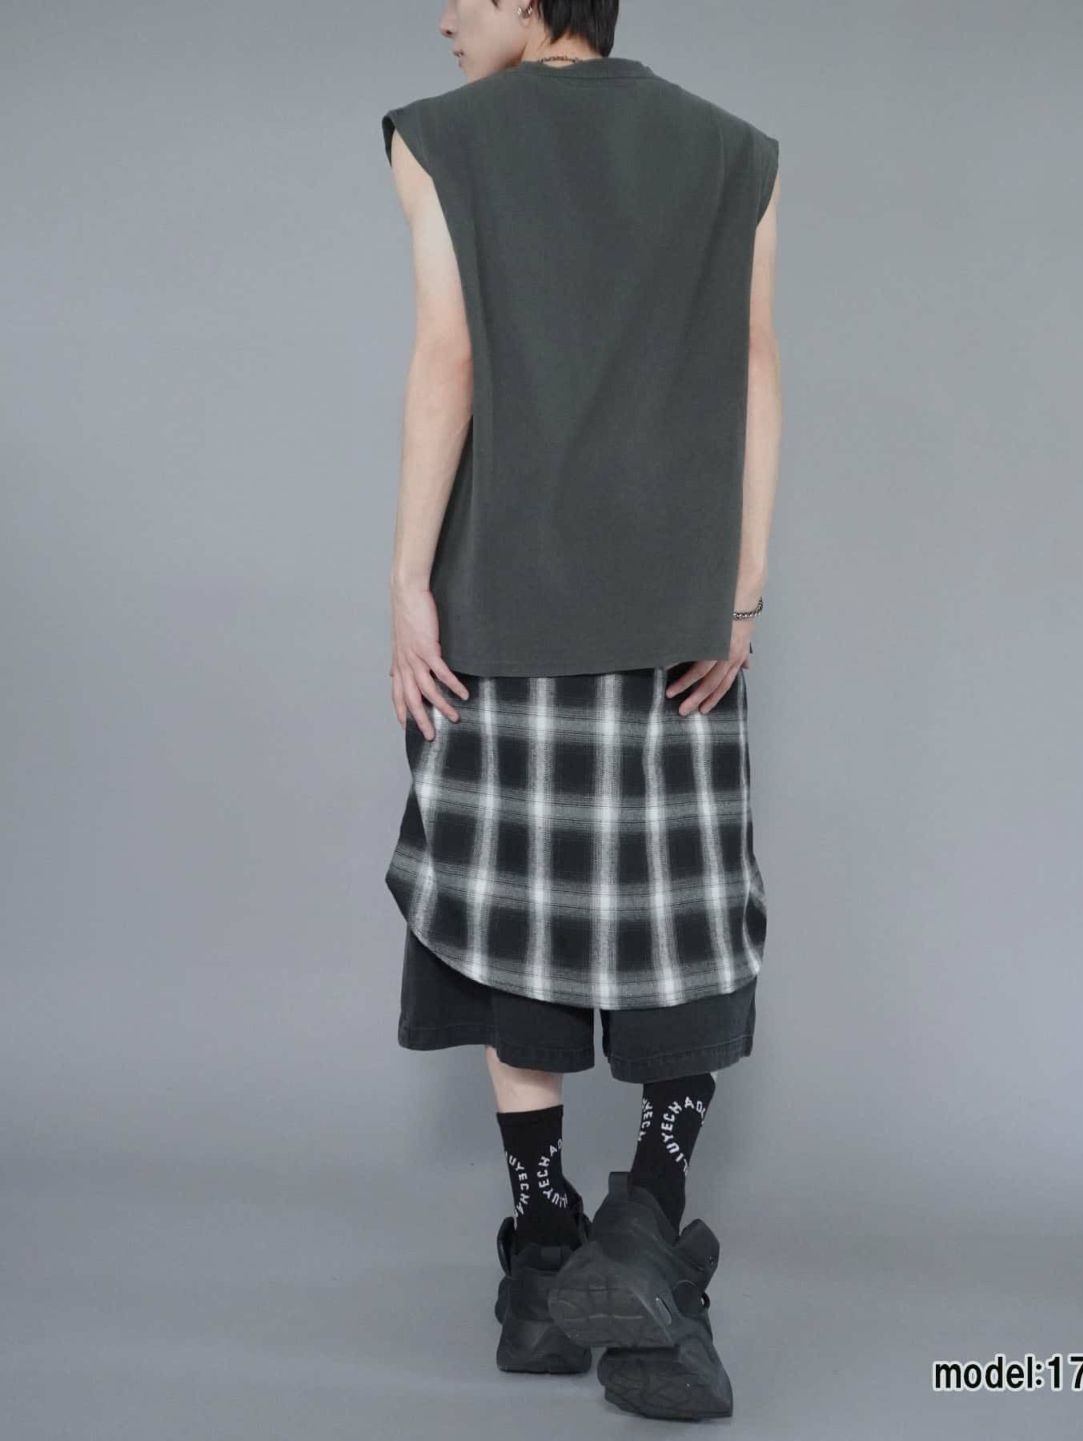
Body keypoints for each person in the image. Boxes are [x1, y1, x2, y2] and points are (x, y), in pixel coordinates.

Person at [379, 0, 780, 1420]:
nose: (441, 14)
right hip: (676, 618)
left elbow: (449, 359)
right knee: (683, 922)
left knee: (513, 924)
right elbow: (754, 369)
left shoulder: (439, 141)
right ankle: (647, 1219)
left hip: (501, 604)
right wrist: (740, 598)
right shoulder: (735, 151)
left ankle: (547, 1254)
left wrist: (406, 581)